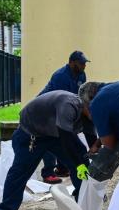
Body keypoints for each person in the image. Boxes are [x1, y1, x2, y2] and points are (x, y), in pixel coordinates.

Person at [0, 90, 96, 210]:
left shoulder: (88, 115)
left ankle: (83, 203)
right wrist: (79, 164)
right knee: (20, 172)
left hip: (55, 134)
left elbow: (91, 139)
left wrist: (92, 157)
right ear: (86, 104)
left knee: (81, 159)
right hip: (31, 134)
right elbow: (67, 139)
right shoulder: (68, 106)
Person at [38, 50, 91, 184]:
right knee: (51, 137)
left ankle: (62, 168)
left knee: (66, 136)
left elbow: (80, 95)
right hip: (47, 110)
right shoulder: (60, 76)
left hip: (65, 108)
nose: (84, 66)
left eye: (85, 63)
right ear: (72, 63)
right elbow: (59, 99)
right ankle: (48, 172)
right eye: (81, 63)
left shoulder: (81, 75)